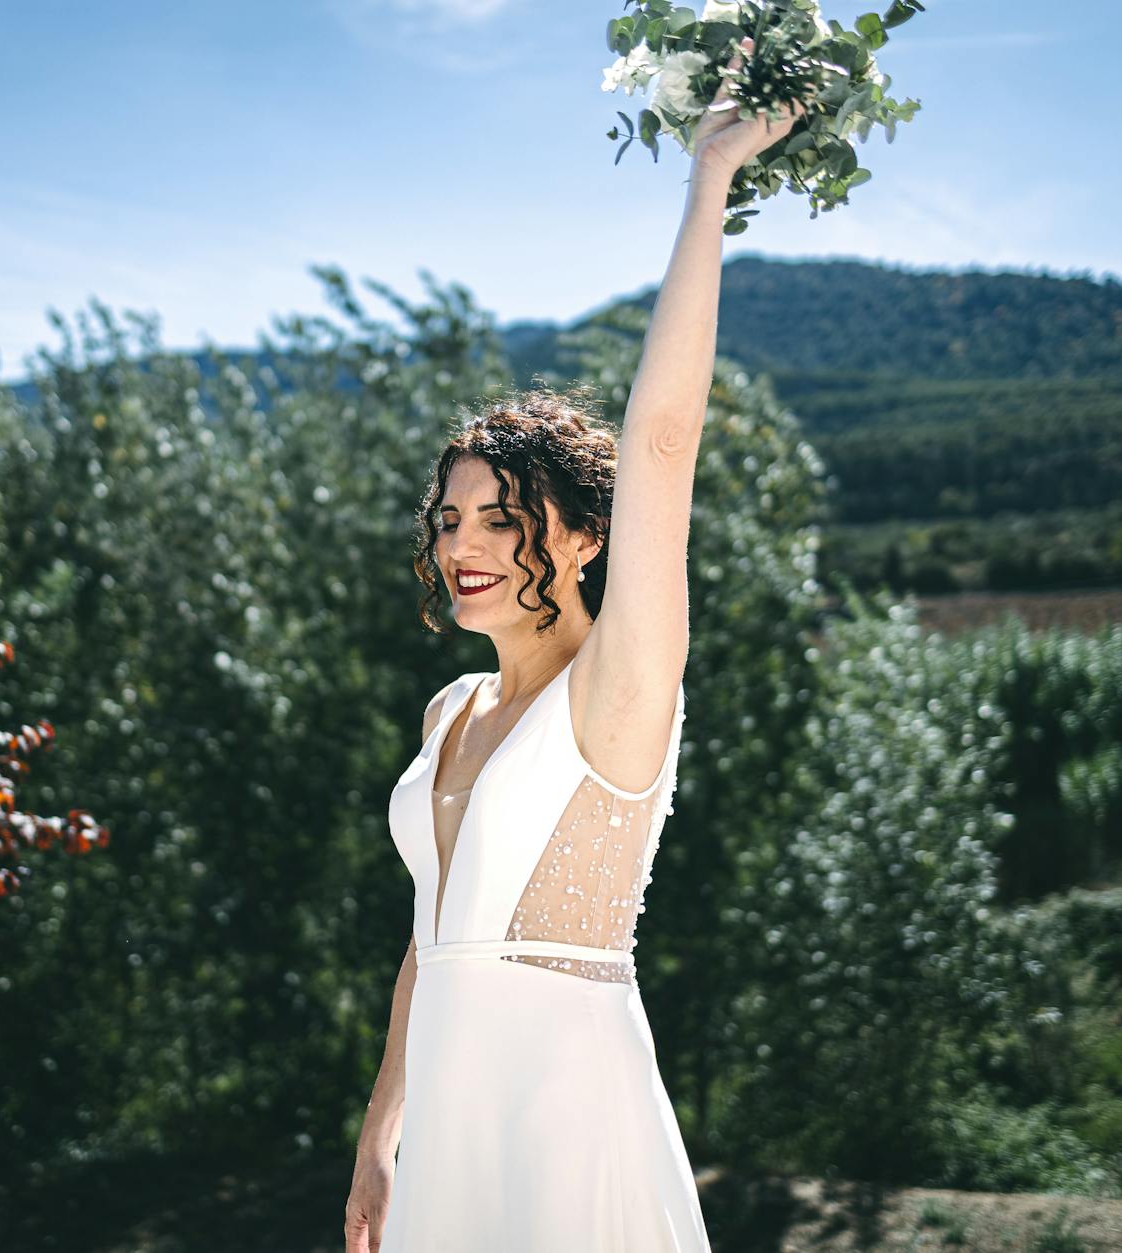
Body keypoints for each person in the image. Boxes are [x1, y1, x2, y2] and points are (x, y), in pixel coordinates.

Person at [344, 37, 808, 1253]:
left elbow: (661, 441)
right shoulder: (450, 708)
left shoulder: (621, 690)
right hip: (448, 1139)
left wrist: (707, 184)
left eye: (502, 516)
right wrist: (378, 1135)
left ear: (585, 533)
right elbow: (427, 943)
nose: (464, 544)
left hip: (567, 1129)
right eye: (448, 518)